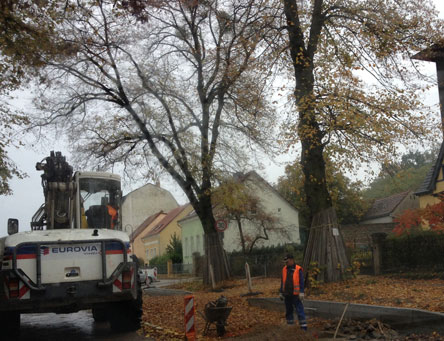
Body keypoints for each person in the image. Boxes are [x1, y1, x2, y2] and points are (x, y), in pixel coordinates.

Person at [279, 254, 307, 330]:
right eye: (285, 262)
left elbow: (301, 282)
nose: (286, 264)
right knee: (288, 311)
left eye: (287, 262)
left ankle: (303, 327)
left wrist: (301, 292)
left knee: (299, 310)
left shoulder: (298, 269)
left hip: (295, 294)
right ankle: (290, 326)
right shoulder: (284, 269)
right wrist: (281, 292)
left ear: (292, 260)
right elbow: (283, 281)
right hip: (287, 294)